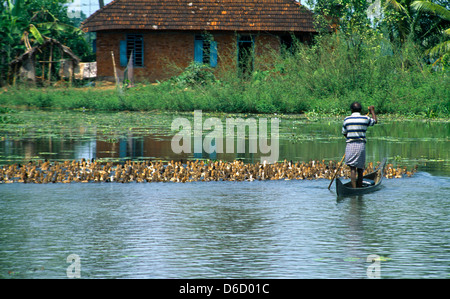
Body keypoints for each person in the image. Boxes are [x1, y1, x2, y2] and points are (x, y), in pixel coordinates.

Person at [342, 102, 377, 188]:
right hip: (361, 145)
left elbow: (344, 133)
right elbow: (375, 121)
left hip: (350, 145)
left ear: (351, 110)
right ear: (360, 110)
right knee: (360, 168)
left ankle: (354, 188)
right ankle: (359, 187)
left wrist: (351, 137)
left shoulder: (347, 119)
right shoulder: (365, 118)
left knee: (353, 169)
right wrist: (372, 111)